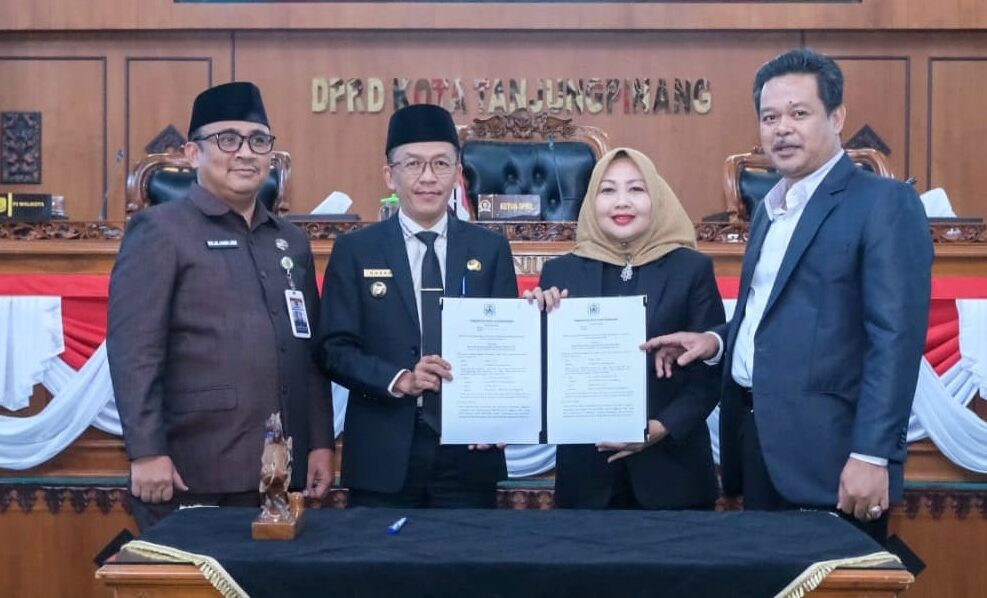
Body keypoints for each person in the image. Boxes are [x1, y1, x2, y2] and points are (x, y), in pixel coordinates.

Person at [645, 49, 933, 541]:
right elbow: (775, 315)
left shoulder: (883, 203)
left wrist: (872, 454)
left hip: (834, 458)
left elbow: (895, 340)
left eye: (799, 113)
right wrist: (716, 341)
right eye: (770, 117)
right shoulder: (768, 209)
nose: (782, 129)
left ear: (836, 117)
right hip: (758, 445)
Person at [107, 81, 334, 530]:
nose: (245, 153)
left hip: (281, 472)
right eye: (228, 140)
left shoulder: (290, 241)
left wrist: (320, 443)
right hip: (193, 468)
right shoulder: (161, 230)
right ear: (193, 154)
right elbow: (134, 351)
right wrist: (146, 451)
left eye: (259, 141)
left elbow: (308, 351)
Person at [319, 104, 517, 508]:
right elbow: (333, 349)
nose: (428, 177)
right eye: (413, 164)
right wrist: (400, 379)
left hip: (469, 453)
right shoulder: (355, 250)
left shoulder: (490, 248)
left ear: (458, 174)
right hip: (382, 451)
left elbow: (508, 348)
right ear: (390, 175)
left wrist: (502, 414)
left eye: (441, 164)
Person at [525, 147, 725, 509]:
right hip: (587, 481)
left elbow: (711, 373)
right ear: (591, 200)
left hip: (674, 476)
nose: (621, 202)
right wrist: (537, 320)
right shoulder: (560, 273)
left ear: (657, 197)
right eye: (607, 190)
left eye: (636, 189)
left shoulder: (691, 269)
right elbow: (543, 374)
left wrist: (662, 427)